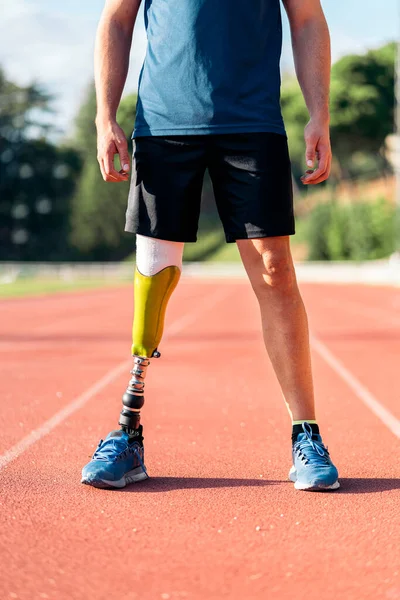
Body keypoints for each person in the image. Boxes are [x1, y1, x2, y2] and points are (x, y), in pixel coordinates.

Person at [82, 0, 339, 491]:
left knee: (276, 271)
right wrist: (104, 115)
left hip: (252, 122)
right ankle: (127, 434)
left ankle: (306, 436)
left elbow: (308, 19)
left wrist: (319, 114)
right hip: (163, 124)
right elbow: (116, 19)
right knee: (153, 275)